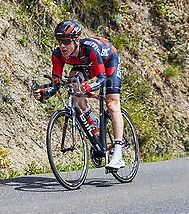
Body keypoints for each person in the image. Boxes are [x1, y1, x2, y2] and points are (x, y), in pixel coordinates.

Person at [33, 20, 125, 170]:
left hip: (108, 62)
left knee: (112, 105)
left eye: (66, 42)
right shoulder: (58, 53)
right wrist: (45, 93)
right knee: (72, 80)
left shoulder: (90, 49)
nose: (62, 46)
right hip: (85, 65)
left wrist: (91, 86)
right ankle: (91, 118)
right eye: (59, 41)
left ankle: (118, 154)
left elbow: (102, 79)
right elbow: (56, 82)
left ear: (76, 40)